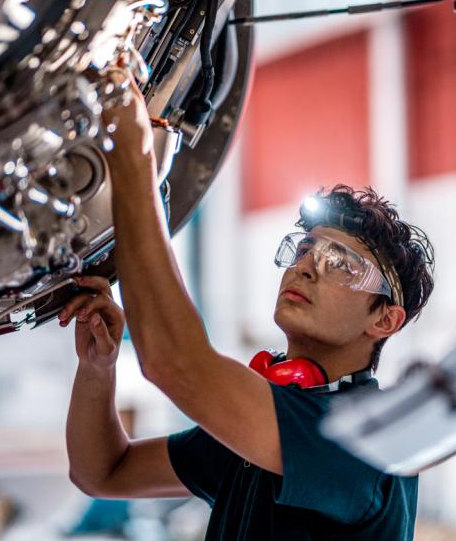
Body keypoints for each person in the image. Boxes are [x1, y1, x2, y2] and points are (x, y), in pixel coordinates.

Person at [62, 72, 435, 541]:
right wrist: (99, 369)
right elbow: (103, 472)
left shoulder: (363, 439)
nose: (305, 268)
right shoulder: (276, 424)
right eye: (304, 250)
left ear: (385, 319)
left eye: (340, 263)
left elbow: (177, 363)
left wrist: (136, 156)